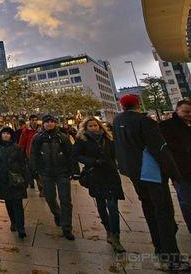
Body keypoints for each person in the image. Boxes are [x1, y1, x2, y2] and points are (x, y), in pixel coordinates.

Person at [114, 94, 188, 272]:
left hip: (135, 173)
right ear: (138, 103)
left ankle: (159, 247)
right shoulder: (145, 121)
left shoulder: (117, 121)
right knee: (164, 212)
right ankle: (172, 258)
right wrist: (175, 174)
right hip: (152, 173)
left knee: (149, 208)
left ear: (122, 105)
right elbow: (159, 149)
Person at [74, 117, 125, 253]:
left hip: (111, 174)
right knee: (101, 204)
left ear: (100, 126)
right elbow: (77, 155)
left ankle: (116, 235)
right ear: (85, 128)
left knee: (113, 206)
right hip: (95, 175)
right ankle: (108, 230)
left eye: (95, 125)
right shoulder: (82, 140)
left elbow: (116, 154)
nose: (93, 128)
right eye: (90, 126)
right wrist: (93, 161)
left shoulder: (108, 138)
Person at [30, 114, 79, 240]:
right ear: (43, 124)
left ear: (55, 123)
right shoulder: (38, 138)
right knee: (50, 198)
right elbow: (33, 155)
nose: (50, 124)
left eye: (52, 121)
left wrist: (75, 171)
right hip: (46, 173)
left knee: (65, 200)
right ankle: (58, 214)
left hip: (62, 172)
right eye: (47, 122)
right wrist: (34, 170)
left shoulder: (62, 137)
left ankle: (67, 227)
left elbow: (70, 154)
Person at [160, 99, 191, 234]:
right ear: (177, 110)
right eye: (186, 111)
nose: (189, 114)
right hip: (181, 171)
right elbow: (166, 147)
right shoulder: (167, 126)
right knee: (187, 202)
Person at [0, 126, 28, 239]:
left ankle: (21, 228)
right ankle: (13, 222)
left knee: (17, 203)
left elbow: (22, 164)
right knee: (9, 203)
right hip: (3, 180)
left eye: (8, 133)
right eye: (4, 133)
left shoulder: (16, 147)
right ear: (0, 135)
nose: (6, 135)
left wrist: (25, 178)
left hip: (16, 180)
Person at [19, 115, 42, 193]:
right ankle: (32, 183)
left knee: (40, 172)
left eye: (35, 120)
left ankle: (41, 189)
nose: (34, 121)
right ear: (29, 121)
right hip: (30, 155)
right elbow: (22, 144)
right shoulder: (25, 131)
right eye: (32, 120)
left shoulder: (41, 130)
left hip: (41, 155)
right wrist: (21, 155)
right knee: (33, 171)